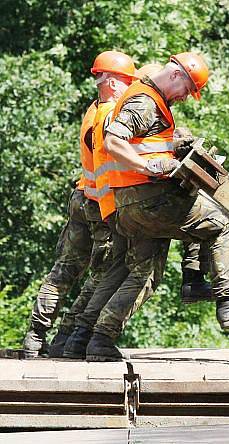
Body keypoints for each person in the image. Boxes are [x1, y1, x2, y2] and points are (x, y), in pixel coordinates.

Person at [84, 52, 229, 361]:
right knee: (219, 222)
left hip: (128, 207)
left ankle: (100, 340)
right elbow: (113, 142)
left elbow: (146, 141)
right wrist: (148, 167)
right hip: (146, 200)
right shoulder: (145, 102)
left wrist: (176, 146)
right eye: (187, 90)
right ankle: (228, 302)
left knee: (145, 275)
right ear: (175, 76)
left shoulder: (153, 100)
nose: (185, 98)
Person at [21, 51, 136, 358]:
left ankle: (35, 337)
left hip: (82, 197)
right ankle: (69, 338)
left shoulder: (93, 108)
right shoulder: (112, 115)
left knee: (64, 271)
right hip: (100, 207)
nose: (132, 90)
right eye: (128, 82)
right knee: (101, 272)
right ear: (111, 82)